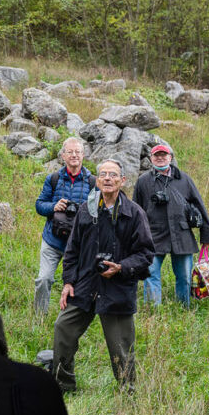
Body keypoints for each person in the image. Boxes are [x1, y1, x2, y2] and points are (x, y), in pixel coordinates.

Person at [52, 158, 154, 393]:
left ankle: (127, 393)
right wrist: (68, 282)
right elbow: (72, 250)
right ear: (97, 180)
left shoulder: (134, 213)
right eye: (103, 174)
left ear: (122, 180)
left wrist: (121, 267)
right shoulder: (87, 210)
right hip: (85, 286)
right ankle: (63, 386)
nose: (108, 178)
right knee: (63, 329)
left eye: (113, 175)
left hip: (117, 289)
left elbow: (146, 253)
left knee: (121, 348)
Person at [132, 144, 209, 308]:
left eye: (164, 155)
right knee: (151, 274)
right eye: (156, 155)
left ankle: (184, 308)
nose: (160, 158)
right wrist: (134, 236)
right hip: (153, 235)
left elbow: (199, 205)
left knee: (184, 276)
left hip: (181, 235)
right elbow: (136, 210)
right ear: (151, 159)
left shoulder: (184, 179)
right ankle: (154, 311)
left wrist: (206, 236)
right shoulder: (143, 181)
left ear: (170, 157)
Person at [33, 137, 95, 316]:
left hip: (79, 244)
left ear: (83, 155)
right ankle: (40, 316)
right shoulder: (53, 179)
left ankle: (69, 319)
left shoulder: (92, 182)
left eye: (78, 152)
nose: (74, 155)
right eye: (70, 152)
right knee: (44, 279)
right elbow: (39, 205)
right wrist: (53, 207)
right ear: (63, 155)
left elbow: (99, 213)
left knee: (75, 284)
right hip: (52, 240)